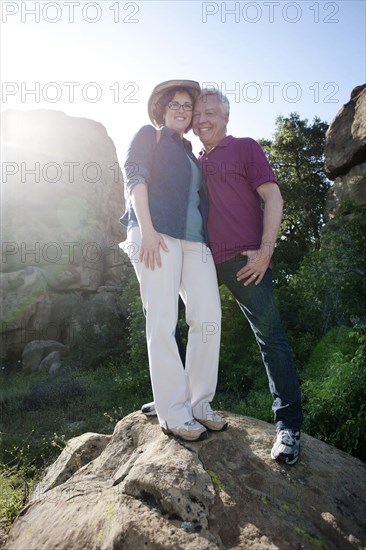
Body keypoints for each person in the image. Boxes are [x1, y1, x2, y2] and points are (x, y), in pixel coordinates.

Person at [142, 87, 303, 464]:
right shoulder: (192, 158)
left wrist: (266, 250)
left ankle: (289, 427)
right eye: (198, 115)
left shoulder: (246, 147)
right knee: (177, 321)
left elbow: (273, 197)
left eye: (210, 113)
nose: (202, 120)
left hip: (247, 262)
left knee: (271, 338)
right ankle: (173, 398)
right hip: (201, 258)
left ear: (226, 117)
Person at [120, 80, 226, 441]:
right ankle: (173, 413)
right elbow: (135, 178)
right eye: (175, 104)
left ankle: (199, 404)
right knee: (163, 321)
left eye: (187, 106)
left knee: (208, 316)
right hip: (155, 236)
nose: (182, 110)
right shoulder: (150, 136)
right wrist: (147, 231)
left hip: (194, 243)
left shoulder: (190, 152)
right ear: (162, 109)